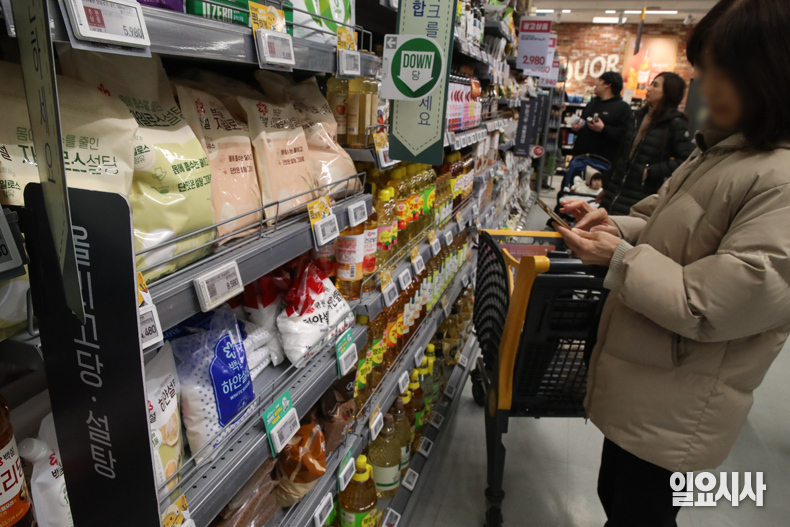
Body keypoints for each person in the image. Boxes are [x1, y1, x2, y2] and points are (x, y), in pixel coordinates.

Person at [556, 0, 790, 524]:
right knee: (618, 501)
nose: (702, 87)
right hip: (647, 383)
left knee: (642, 514)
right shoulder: (722, 151)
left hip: (681, 402)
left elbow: (717, 303)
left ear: (770, 75)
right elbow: (663, 224)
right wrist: (615, 228)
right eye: (702, 70)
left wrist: (621, 260)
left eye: (719, 72)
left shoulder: (780, 180)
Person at [600, 72, 695, 215]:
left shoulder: (675, 124)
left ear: (669, 92)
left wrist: (651, 171)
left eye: (655, 85)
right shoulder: (636, 117)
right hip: (614, 192)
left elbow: (688, 160)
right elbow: (621, 154)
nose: (649, 88)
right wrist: (606, 187)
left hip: (641, 196)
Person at [571, 72, 633, 166]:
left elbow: (624, 135)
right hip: (580, 159)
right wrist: (577, 128)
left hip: (603, 163)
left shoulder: (623, 108)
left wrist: (603, 129)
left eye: (600, 80)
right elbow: (584, 126)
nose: (596, 83)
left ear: (607, 84)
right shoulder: (591, 104)